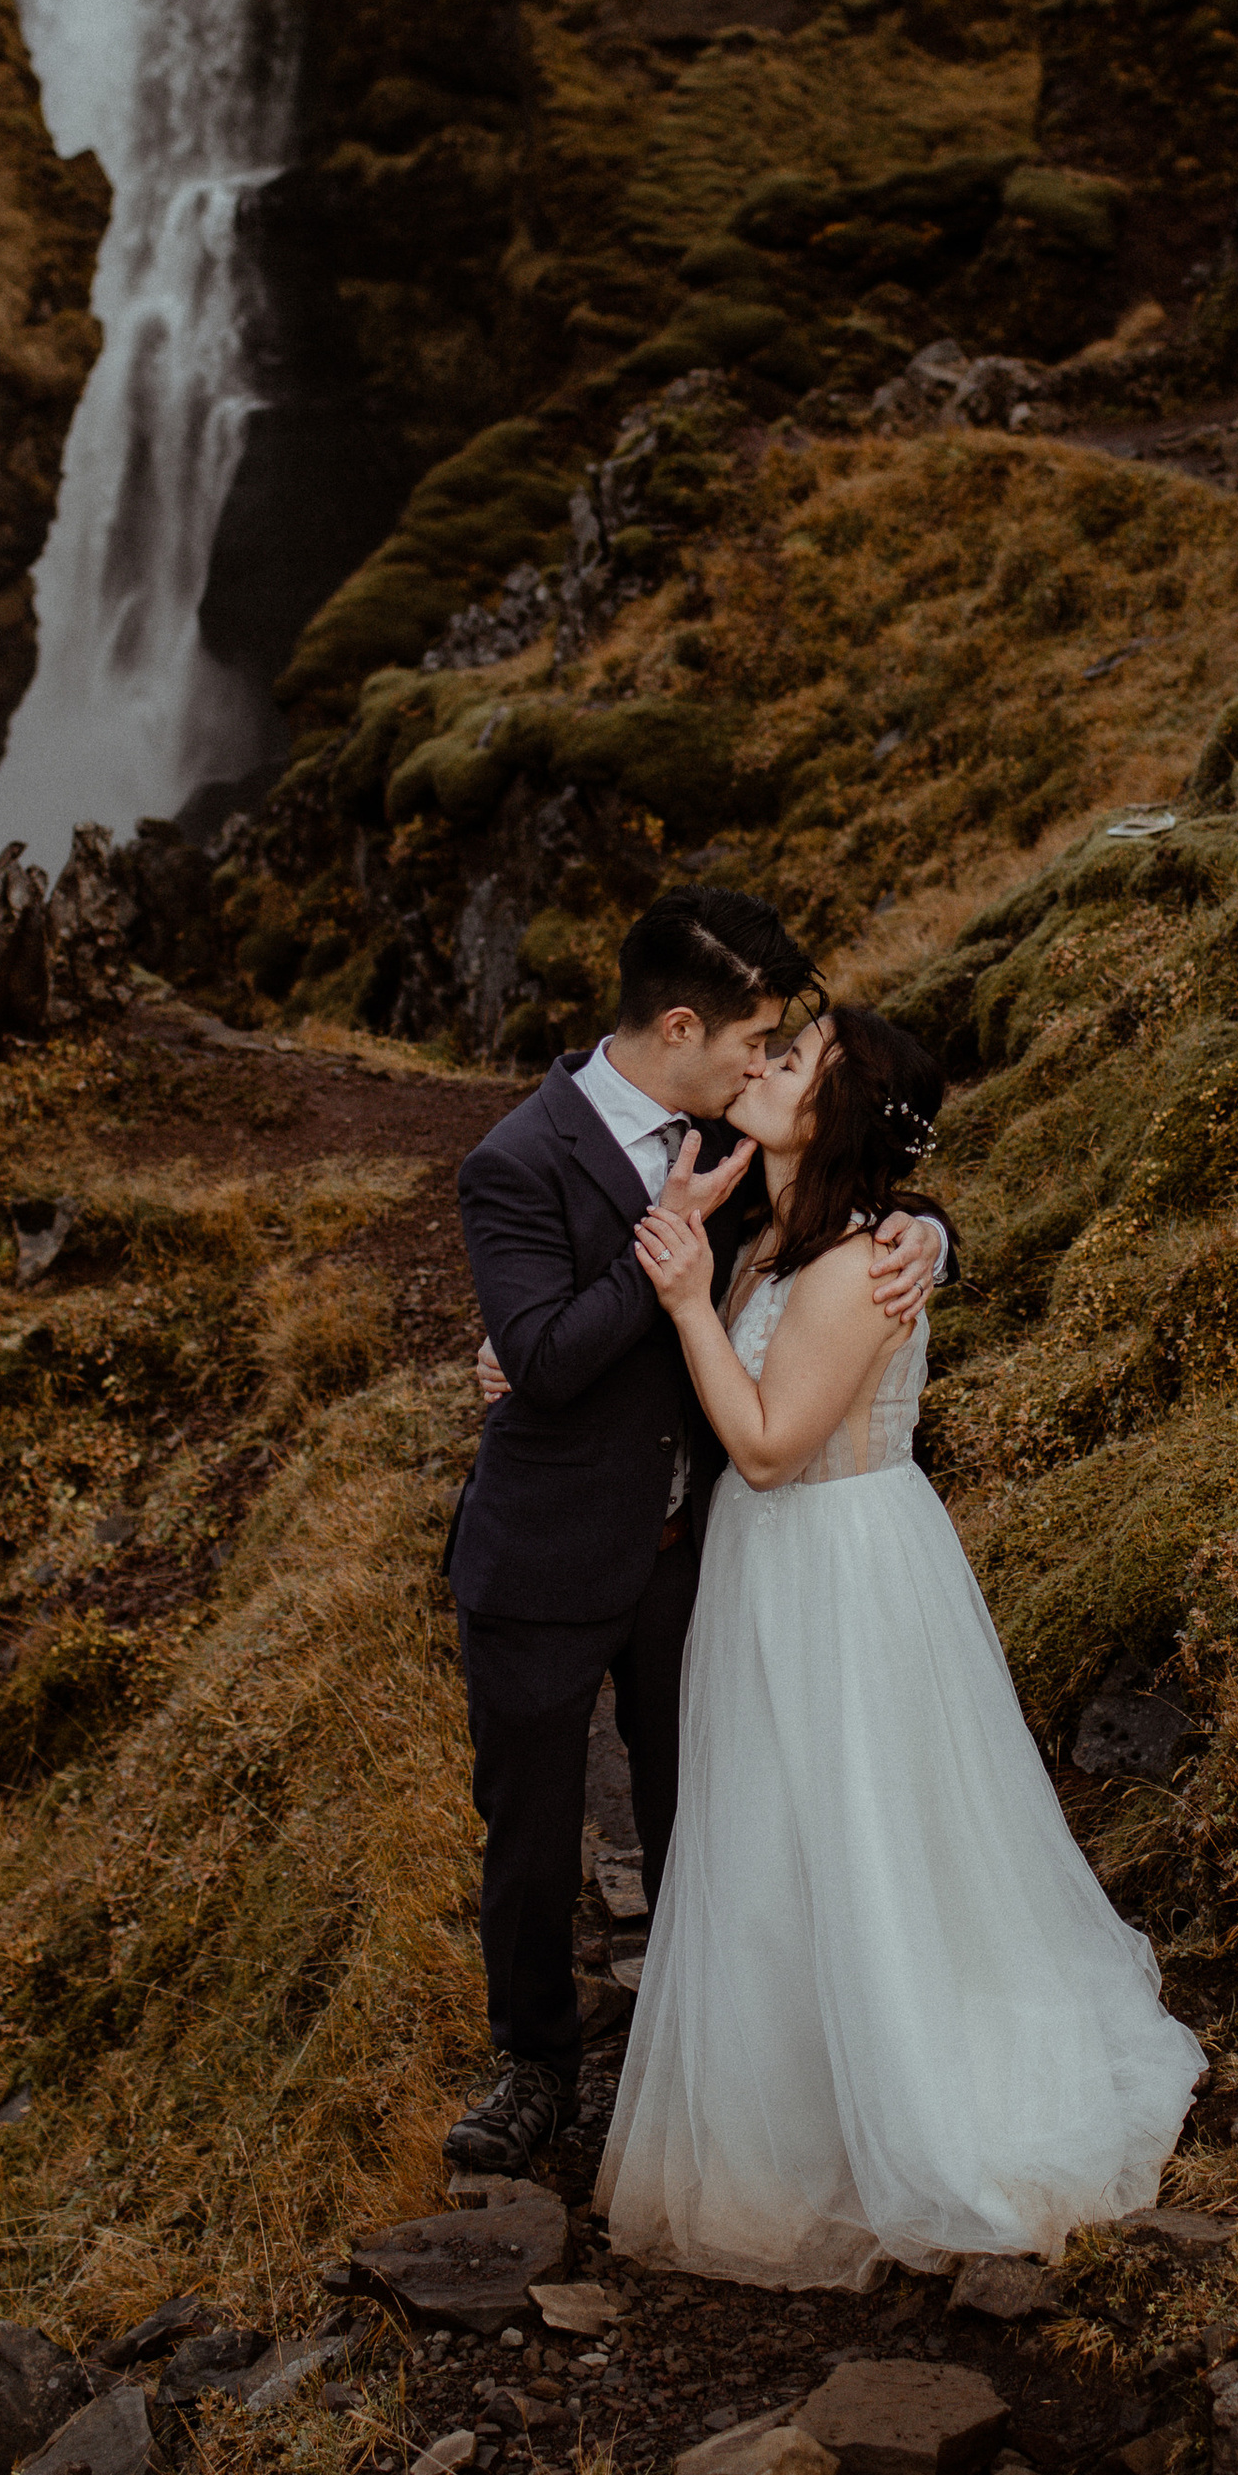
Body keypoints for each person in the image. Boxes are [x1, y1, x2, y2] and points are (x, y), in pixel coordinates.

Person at [595, 1002, 1202, 2286]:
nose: (762, 1064)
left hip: (838, 1564)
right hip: (775, 1569)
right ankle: (803, 2086)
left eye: (794, 1060)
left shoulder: (851, 1265)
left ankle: (907, 2097)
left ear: (841, 1113)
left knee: (864, 1822)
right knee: (778, 1828)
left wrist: (691, 1304)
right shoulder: (782, 1241)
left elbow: (769, 1450)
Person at [444, 886, 950, 2179]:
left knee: (711, 1808)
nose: (764, 1062)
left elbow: (843, 1199)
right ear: (682, 1027)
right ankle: (535, 2063)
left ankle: (707, 2050)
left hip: (695, 1555)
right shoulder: (515, 1159)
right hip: (547, 1554)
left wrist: (932, 1233)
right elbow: (545, 1359)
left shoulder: (736, 1132)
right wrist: (661, 1256)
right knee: (533, 1828)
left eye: (780, 1050)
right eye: (755, 1040)